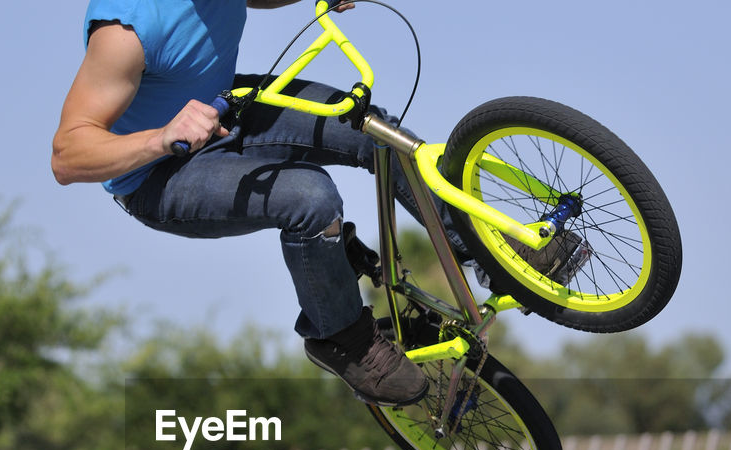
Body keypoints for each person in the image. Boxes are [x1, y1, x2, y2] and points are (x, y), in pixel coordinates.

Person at [53, 0, 460, 405]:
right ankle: (341, 336)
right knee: (310, 198)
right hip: (159, 175)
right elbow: (68, 154)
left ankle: (480, 249)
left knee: (373, 129)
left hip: (223, 107)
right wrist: (161, 137)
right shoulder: (125, 30)